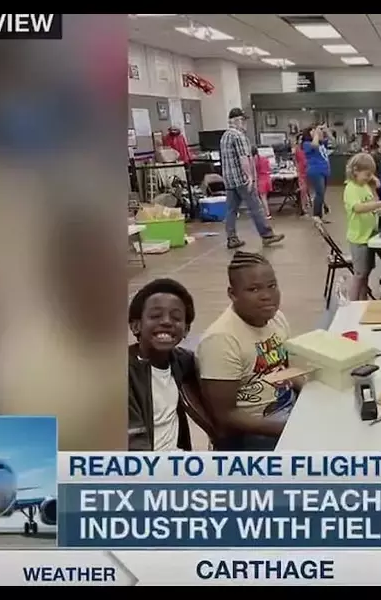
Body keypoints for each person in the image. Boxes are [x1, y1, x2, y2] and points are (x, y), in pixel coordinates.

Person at [196, 252, 297, 451]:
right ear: (232, 294)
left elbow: (285, 369)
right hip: (255, 434)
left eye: (272, 286)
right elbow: (226, 415)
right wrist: (290, 428)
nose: (267, 295)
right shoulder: (221, 340)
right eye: (253, 289)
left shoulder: (276, 319)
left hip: (288, 409)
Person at [127, 278, 217, 451]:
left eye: (176, 317)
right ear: (136, 325)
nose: (167, 322)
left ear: (186, 330)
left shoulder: (182, 361)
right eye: (155, 316)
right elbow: (133, 446)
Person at [220, 108, 283, 249]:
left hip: (229, 180)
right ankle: (267, 235)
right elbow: (244, 158)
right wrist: (249, 177)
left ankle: (232, 238)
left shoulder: (224, 136)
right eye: (243, 120)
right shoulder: (239, 136)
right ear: (237, 121)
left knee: (231, 210)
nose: (245, 124)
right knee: (256, 207)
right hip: (242, 180)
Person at [343, 153, 381, 301]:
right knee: (359, 274)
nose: (369, 177)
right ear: (355, 171)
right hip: (359, 238)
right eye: (367, 174)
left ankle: (363, 300)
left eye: (371, 174)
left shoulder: (364, 186)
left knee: (367, 271)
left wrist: (378, 208)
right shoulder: (351, 188)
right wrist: (379, 204)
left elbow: (370, 203)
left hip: (369, 235)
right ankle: (352, 304)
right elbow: (358, 208)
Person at [301, 125, 332, 222]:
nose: (317, 133)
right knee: (319, 193)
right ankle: (316, 216)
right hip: (315, 171)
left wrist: (326, 131)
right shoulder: (306, 144)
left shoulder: (321, 143)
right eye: (313, 131)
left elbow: (332, 140)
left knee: (321, 194)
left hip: (324, 171)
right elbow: (314, 145)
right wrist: (316, 133)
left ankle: (320, 216)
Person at [255, 152, 273, 219]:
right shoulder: (264, 159)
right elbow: (270, 168)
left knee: (262, 197)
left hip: (261, 179)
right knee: (264, 197)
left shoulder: (255, 161)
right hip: (267, 178)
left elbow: (255, 171)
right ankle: (265, 212)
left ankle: (267, 213)